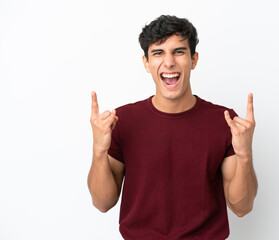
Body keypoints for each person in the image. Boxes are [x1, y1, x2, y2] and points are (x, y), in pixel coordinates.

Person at [88, 15, 258, 240]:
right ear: (146, 63)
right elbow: (102, 203)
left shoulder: (224, 121)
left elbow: (241, 207)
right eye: (158, 53)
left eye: (179, 52)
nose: (168, 62)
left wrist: (245, 155)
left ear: (194, 59)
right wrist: (99, 151)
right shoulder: (123, 121)